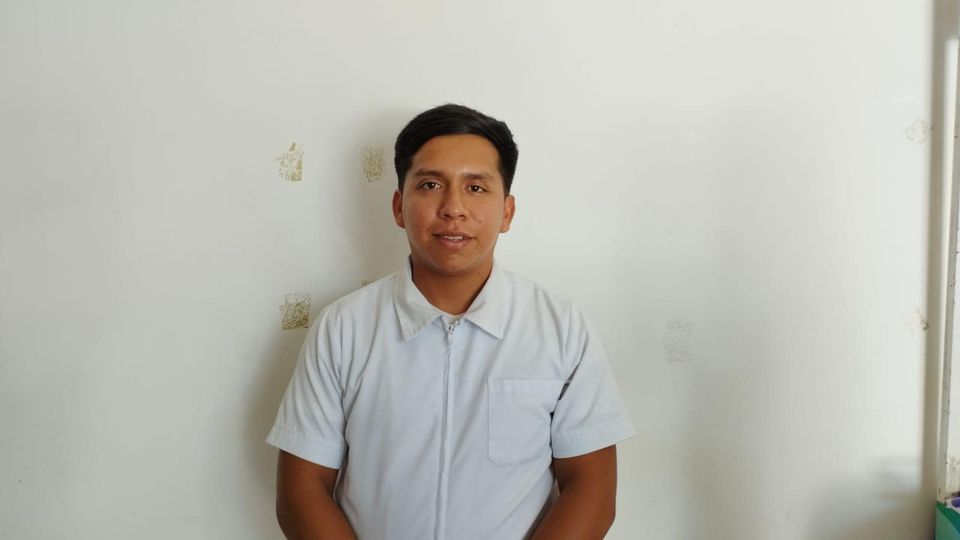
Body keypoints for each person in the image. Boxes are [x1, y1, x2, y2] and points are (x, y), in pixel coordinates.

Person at [266, 104, 636, 539]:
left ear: (507, 211)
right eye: (430, 185)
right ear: (399, 207)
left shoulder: (561, 328)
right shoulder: (343, 328)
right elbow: (303, 490)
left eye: (476, 187)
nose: (453, 208)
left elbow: (591, 488)